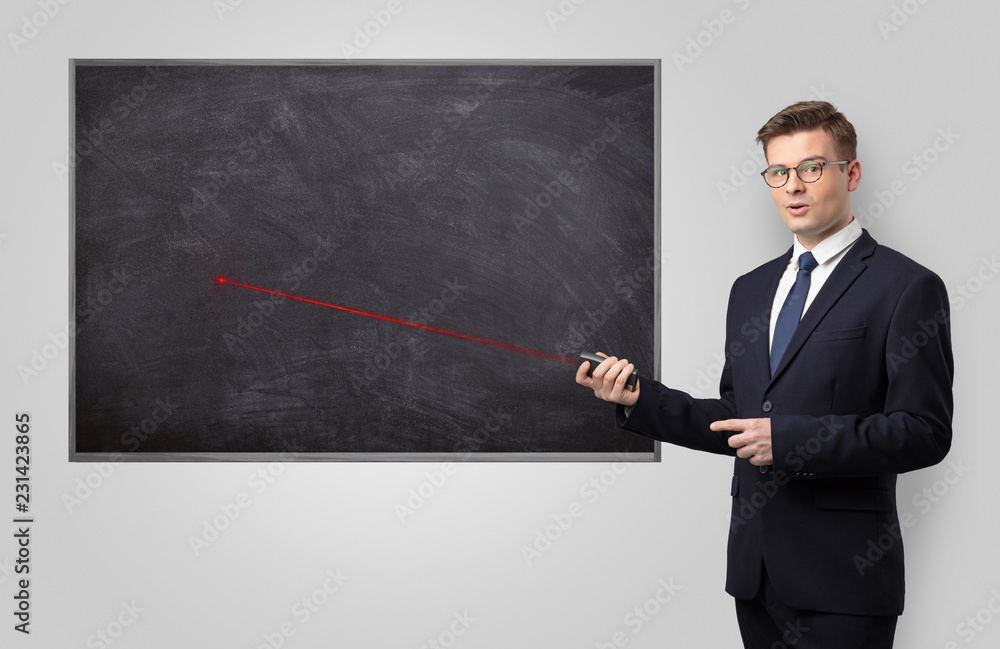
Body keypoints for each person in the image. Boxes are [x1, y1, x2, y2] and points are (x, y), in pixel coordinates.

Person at [577, 101, 953, 649]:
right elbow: (742, 420)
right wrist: (640, 399)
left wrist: (793, 440)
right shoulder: (749, 289)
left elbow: (924, 431)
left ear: (851, 173)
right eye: (778, 172)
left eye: (811, 168)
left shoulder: (906, 287)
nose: (793, 186)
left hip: (844, 582)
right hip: (755, 577)